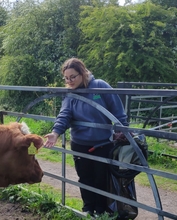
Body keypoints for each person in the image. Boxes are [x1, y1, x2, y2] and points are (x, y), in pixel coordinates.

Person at [44, 58, 129, 217]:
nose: (69, 81)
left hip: (102, 144)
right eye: (66, 78)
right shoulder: (70, 94)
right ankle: (88, 210)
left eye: (73, 77)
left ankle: (102, 211)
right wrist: (55, 133)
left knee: (101, 179)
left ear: (82, 73)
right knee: (85, 178)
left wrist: (123, 131)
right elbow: (64, 115)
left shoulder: (100, 86)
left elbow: (117, 111)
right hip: (80, 144)